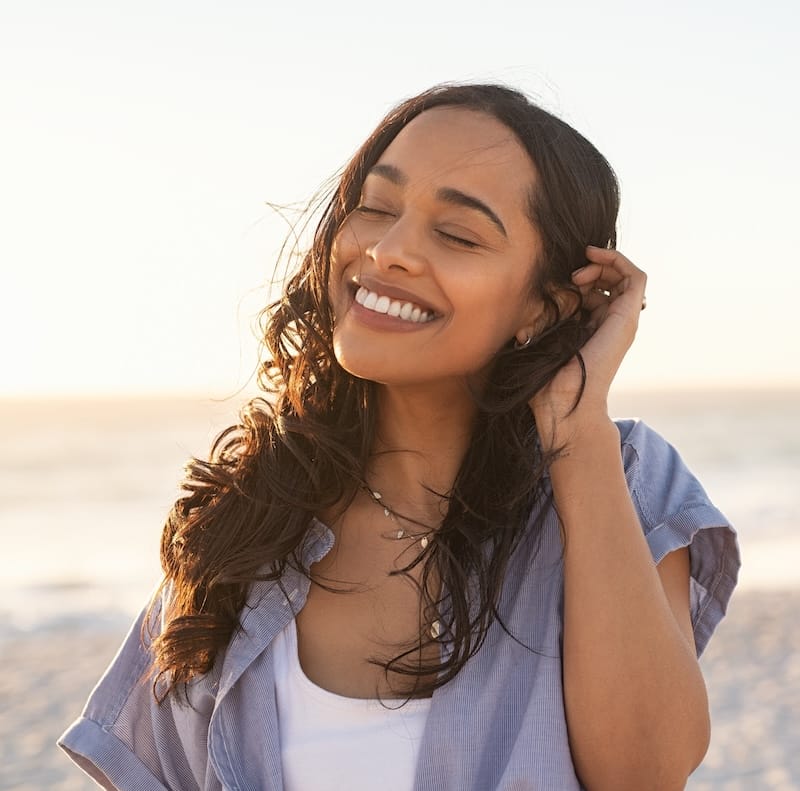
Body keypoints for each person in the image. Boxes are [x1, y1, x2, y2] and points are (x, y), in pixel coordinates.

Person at [59, 83, 739, 790]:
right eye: (377, 209)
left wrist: (577, 429)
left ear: (544, 304)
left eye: (456, 234)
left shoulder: (620, 477)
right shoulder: (243, 523)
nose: (388, 251)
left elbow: (646, 772)